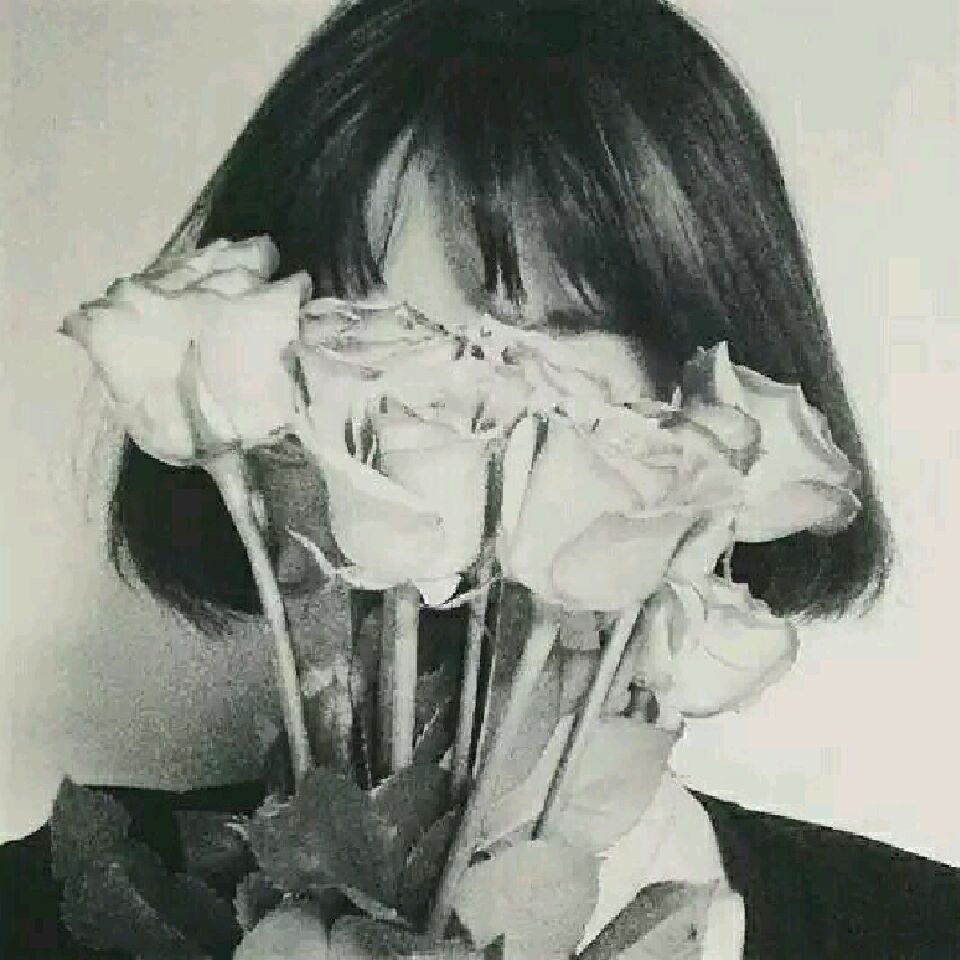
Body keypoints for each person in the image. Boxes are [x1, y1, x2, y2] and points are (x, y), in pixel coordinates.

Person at [2, 1, 958, 957]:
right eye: (370, 329)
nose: (455, 409)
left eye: (552, 332)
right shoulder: (36, 914)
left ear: (720, 392)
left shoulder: (916, 930)